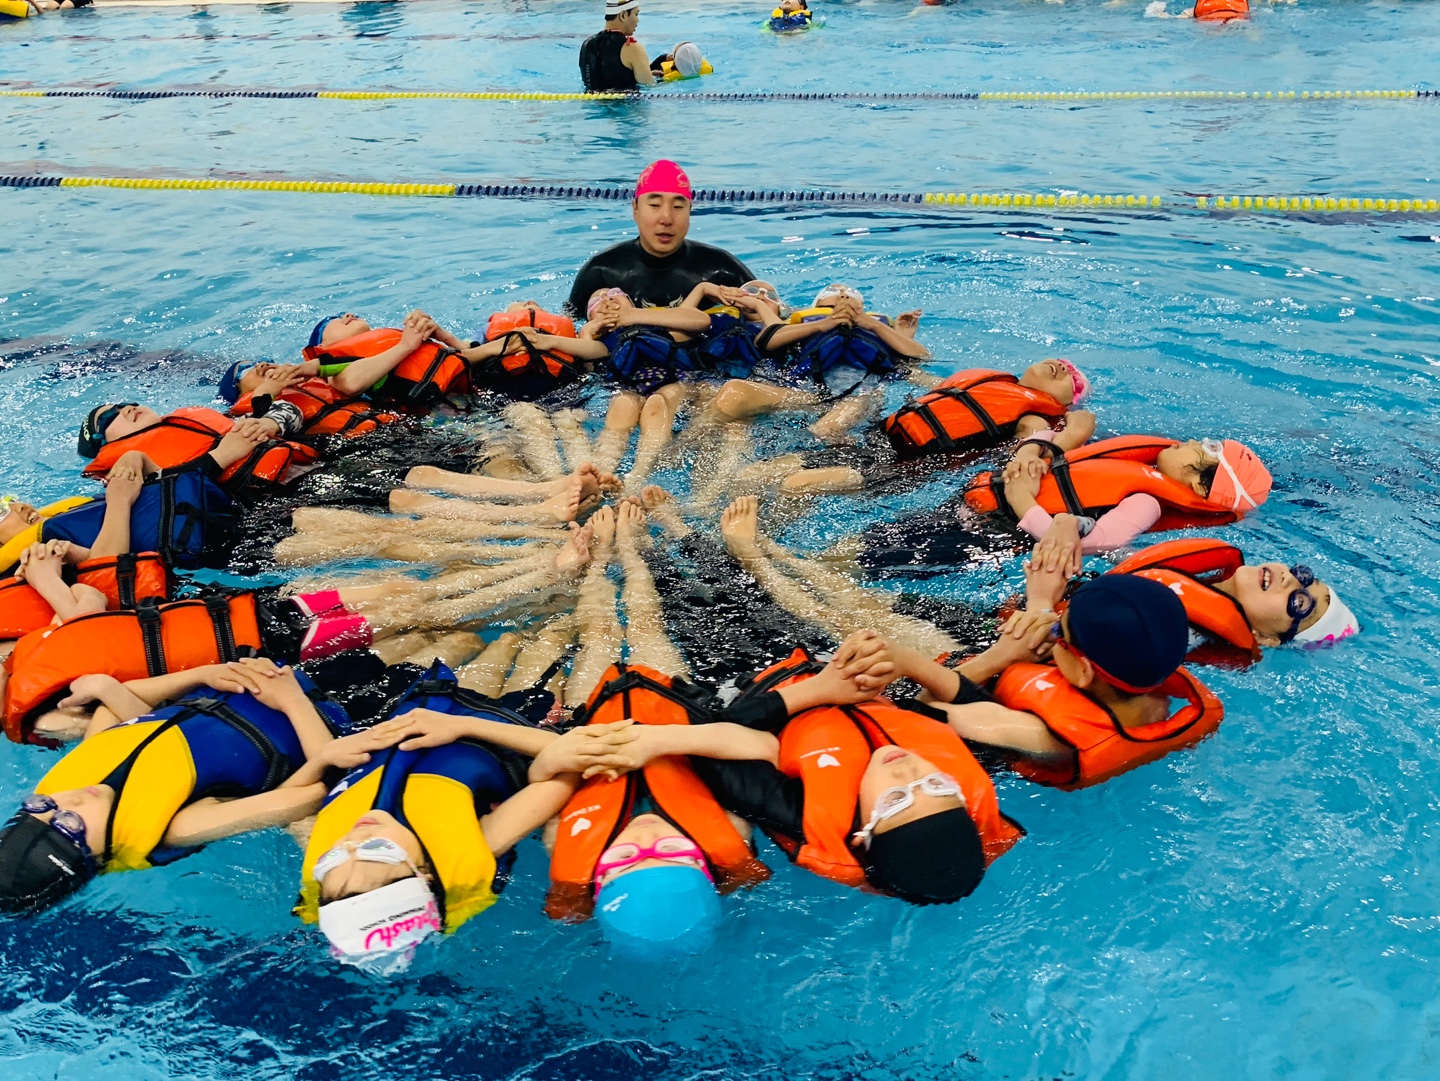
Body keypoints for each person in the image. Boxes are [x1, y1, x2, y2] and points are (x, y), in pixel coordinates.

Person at [616, 633, 1026, 904]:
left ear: (862, 833)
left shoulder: (801, 816)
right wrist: (900, 660)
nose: (910, 774)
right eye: (937, 786)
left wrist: (820, 689)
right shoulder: (970, 779)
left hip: (746, 674)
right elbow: (973, 708)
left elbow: (710, 735)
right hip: (840, 662)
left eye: (895, 801)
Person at [293, 661, 640, 973]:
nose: (354, 839)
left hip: (424, 709)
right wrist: (462, 726)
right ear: (425, 875)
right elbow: (566, 769)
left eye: (333, 858)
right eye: (378, 850)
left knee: (496, 647)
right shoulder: (482, 843)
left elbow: (294, 799)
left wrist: (324, 758)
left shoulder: (325, 851)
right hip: (505, 724)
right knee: (547, 649)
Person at [0, 658, 392, 915]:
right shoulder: (178, 828)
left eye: (42, 807)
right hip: (343, 712)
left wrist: (201, 675)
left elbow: (120, 711)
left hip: (265, 679)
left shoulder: (80, 782)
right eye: (70, 825)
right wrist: (291, 702)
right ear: (96, 860)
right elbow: (309, 796)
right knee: (423, 649)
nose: (68, 800)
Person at [877, 552, 1224, 790]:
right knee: (883, 605)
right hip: (1009, 668)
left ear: (1083, 670)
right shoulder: (1148, 671)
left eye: (1059, 630)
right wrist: (1041, 604)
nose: (1051, 628)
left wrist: (996, 658)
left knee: (871, 617)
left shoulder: (1043, 737)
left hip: (969, 696)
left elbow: (913, 716)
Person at [968, 433, 1274, 552]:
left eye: (1206, 449)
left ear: (1199, 485)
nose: (1194, 441)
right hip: (979, 505)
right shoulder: (1140, 465)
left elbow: (1093, 544)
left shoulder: (1146, 502)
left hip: (989, 532)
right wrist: (1028, 454)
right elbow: (1051, 435)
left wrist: (1020, 498)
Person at [1106, 537, 1360, 664]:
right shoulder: (1197, 572)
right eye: (1303, 577)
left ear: (1266, 638)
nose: (1289, 579)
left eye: (1300, 602)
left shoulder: (1180, 637)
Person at [565, 160, 755, 316]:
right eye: (655, 205)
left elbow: (766, 319)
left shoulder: (721, 270)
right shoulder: (601, 272)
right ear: (635, 209)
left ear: (690, 210)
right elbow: (568, 330)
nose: (666, 219)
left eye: (678, 207)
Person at [77, 402, 318, 497]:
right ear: (103, 444)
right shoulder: (126, 472)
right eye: (109, 417)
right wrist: (222, 456)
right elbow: (163, 494)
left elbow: (292, 409)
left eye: (124, 404)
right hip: (271, 504)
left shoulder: (193, 421)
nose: (127, 408)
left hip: (311, 471)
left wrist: (267, 423)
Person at [582, 286, 711, 394]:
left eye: (614, 292)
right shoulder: (601, 344)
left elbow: (698, 320)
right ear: (590, 320)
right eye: (596, 301)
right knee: (625, 403)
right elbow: (591, 372)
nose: (606, 299)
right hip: (629, 391)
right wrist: (586, 333)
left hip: (681, 381)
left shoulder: (657, 324)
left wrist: (632, 314)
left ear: (631, 303)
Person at [580, 0, 655, 93]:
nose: (637, 20)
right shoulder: (632, 48)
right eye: (636, 14)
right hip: (627, 102)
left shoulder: (586, 45)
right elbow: (650, 88)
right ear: (623, 15)